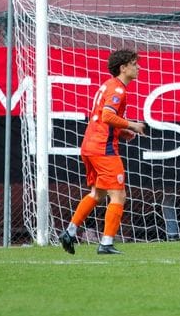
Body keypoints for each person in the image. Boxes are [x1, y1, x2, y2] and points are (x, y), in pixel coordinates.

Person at [59, 49, 146, 255]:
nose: (138, 67)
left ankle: (70, 232)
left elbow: (101, 118)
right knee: (119, 195)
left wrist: (122, 130)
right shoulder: (117, 90)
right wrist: (132, 126)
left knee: (97, 193)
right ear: (123, 67)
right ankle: (106, 243)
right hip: (102, 149)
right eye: (134, 63)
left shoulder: (107, 85)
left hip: (89, 145)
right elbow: (107, 116)